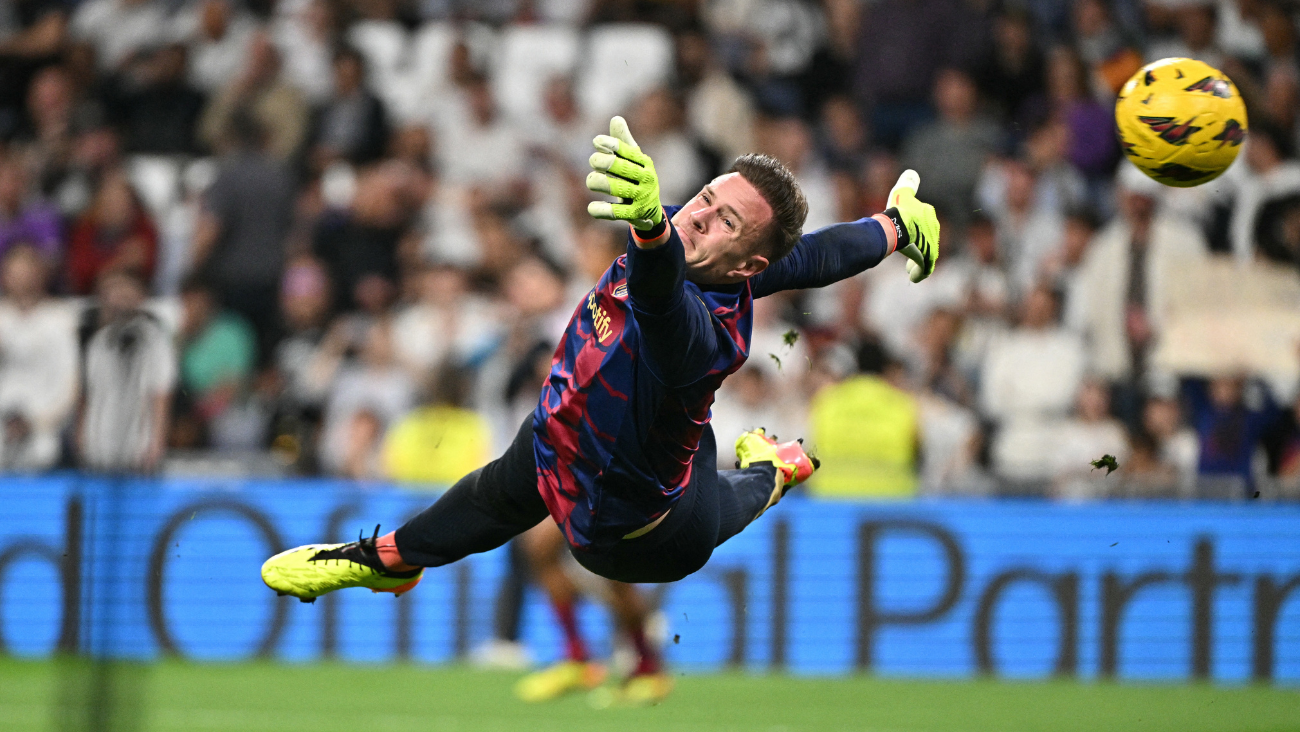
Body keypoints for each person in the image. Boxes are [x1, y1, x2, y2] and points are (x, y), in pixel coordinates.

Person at [261, 117, 939, 601]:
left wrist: (647, 231)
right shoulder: (700, 239)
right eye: (706, 197)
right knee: (497, 490)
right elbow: (818, 254)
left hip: (635, 531)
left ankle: (774, 472)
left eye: (725, 221)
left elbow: (660, 297)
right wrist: (893, 226)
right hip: (571, 437)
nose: (698, 216)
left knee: (722, 503)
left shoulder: (704, 335)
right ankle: (386, 561)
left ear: (749, 263)